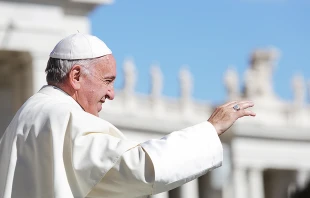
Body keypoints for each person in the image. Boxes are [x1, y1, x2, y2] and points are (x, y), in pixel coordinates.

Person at [0, 33, 256, 198]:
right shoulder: (65, 117)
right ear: (76, 77)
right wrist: (209, 131)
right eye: (107, 81)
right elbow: (136, 167)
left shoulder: (22, 120)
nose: (111, 94)